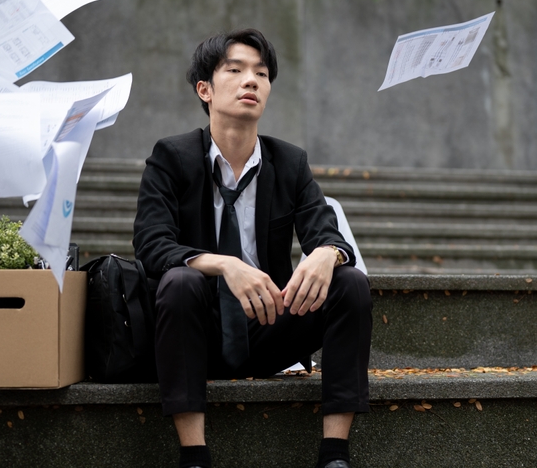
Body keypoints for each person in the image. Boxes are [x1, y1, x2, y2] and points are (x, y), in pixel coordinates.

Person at [133, 28, 372, 468]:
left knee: (350, 284)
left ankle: (335, 454)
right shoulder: (172, 157)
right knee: (180, 281)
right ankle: (194, 455)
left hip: (268, 323)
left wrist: (326, 253)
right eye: (236, 70)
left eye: (261, 74)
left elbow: (327, 233)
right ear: (205, 89)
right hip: (195, 333)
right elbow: (151, 245)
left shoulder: (289, 162)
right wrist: (225, 265)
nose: (251, 81)